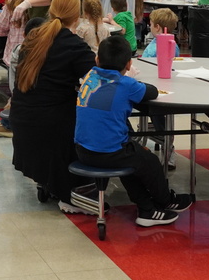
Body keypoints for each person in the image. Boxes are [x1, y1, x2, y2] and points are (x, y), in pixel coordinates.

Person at [75, 35, 193, 226]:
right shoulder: (126, 84)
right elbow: (152, 92)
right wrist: (129, 79)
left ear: (97, 60)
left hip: (82, 148)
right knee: (150, 162)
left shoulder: (90, 76)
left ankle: (147, 209)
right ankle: (166, 200)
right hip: (109, 151)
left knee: (133, 162)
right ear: (129, 64)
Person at [10, 0, 97, 214]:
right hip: (52, 126)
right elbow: (97, 78)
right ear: (76, 16)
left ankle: (55, 181)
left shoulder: (34, 37)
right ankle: (71, 191)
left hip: (21, 119)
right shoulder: (73, 44)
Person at [0, 17, 46, 138]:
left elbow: (14, 81)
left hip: (26, 97)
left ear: (24, 34)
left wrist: (13, 97)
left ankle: (8, 125)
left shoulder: (19, 51)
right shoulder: (53, 51)